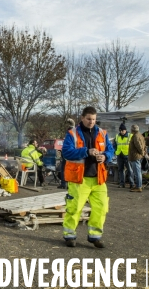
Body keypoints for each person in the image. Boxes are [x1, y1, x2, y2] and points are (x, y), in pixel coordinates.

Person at [61, 106, 114, 249]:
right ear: (82, 118)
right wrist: (86, 151)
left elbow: (110, 150)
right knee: (74, 208)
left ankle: (95, 236)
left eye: (94, 119)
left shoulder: (102, 133)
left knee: (101, 208)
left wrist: (105, 156)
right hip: (79, 179)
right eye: (89, 119)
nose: (92, 122)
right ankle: (69, 236)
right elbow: (66, 152)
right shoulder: (72, 134)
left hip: (98, 179)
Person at [58, 118, 76, 189]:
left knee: (64, 170)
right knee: (69, 170)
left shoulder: (69, 135)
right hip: (72, 155)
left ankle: (63, 184)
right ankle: (68, 184)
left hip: (67, 155)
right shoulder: (74, 135)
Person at [115, 124, 134, 189]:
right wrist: (115, 152)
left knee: (130, 170)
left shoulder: (130, 136)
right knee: (120, 169)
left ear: (125, 130)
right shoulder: (117, 136)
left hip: (127, 155)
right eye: (120, 131)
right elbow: (114, 145)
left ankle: (132, 183)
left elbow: (133, 146)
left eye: (122, 130)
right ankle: (122, 183)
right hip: (119, 155)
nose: (121, 132)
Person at [128, 125, 145, 192]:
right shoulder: (140, 135)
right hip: (138, 156)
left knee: (137, 172)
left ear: (132, 130)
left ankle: (138, 186)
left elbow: (139, 146)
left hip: (135, 156)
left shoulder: (135, 136)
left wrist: (142, 152)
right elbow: (143, 144)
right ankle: (138, 185)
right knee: (138, 172)